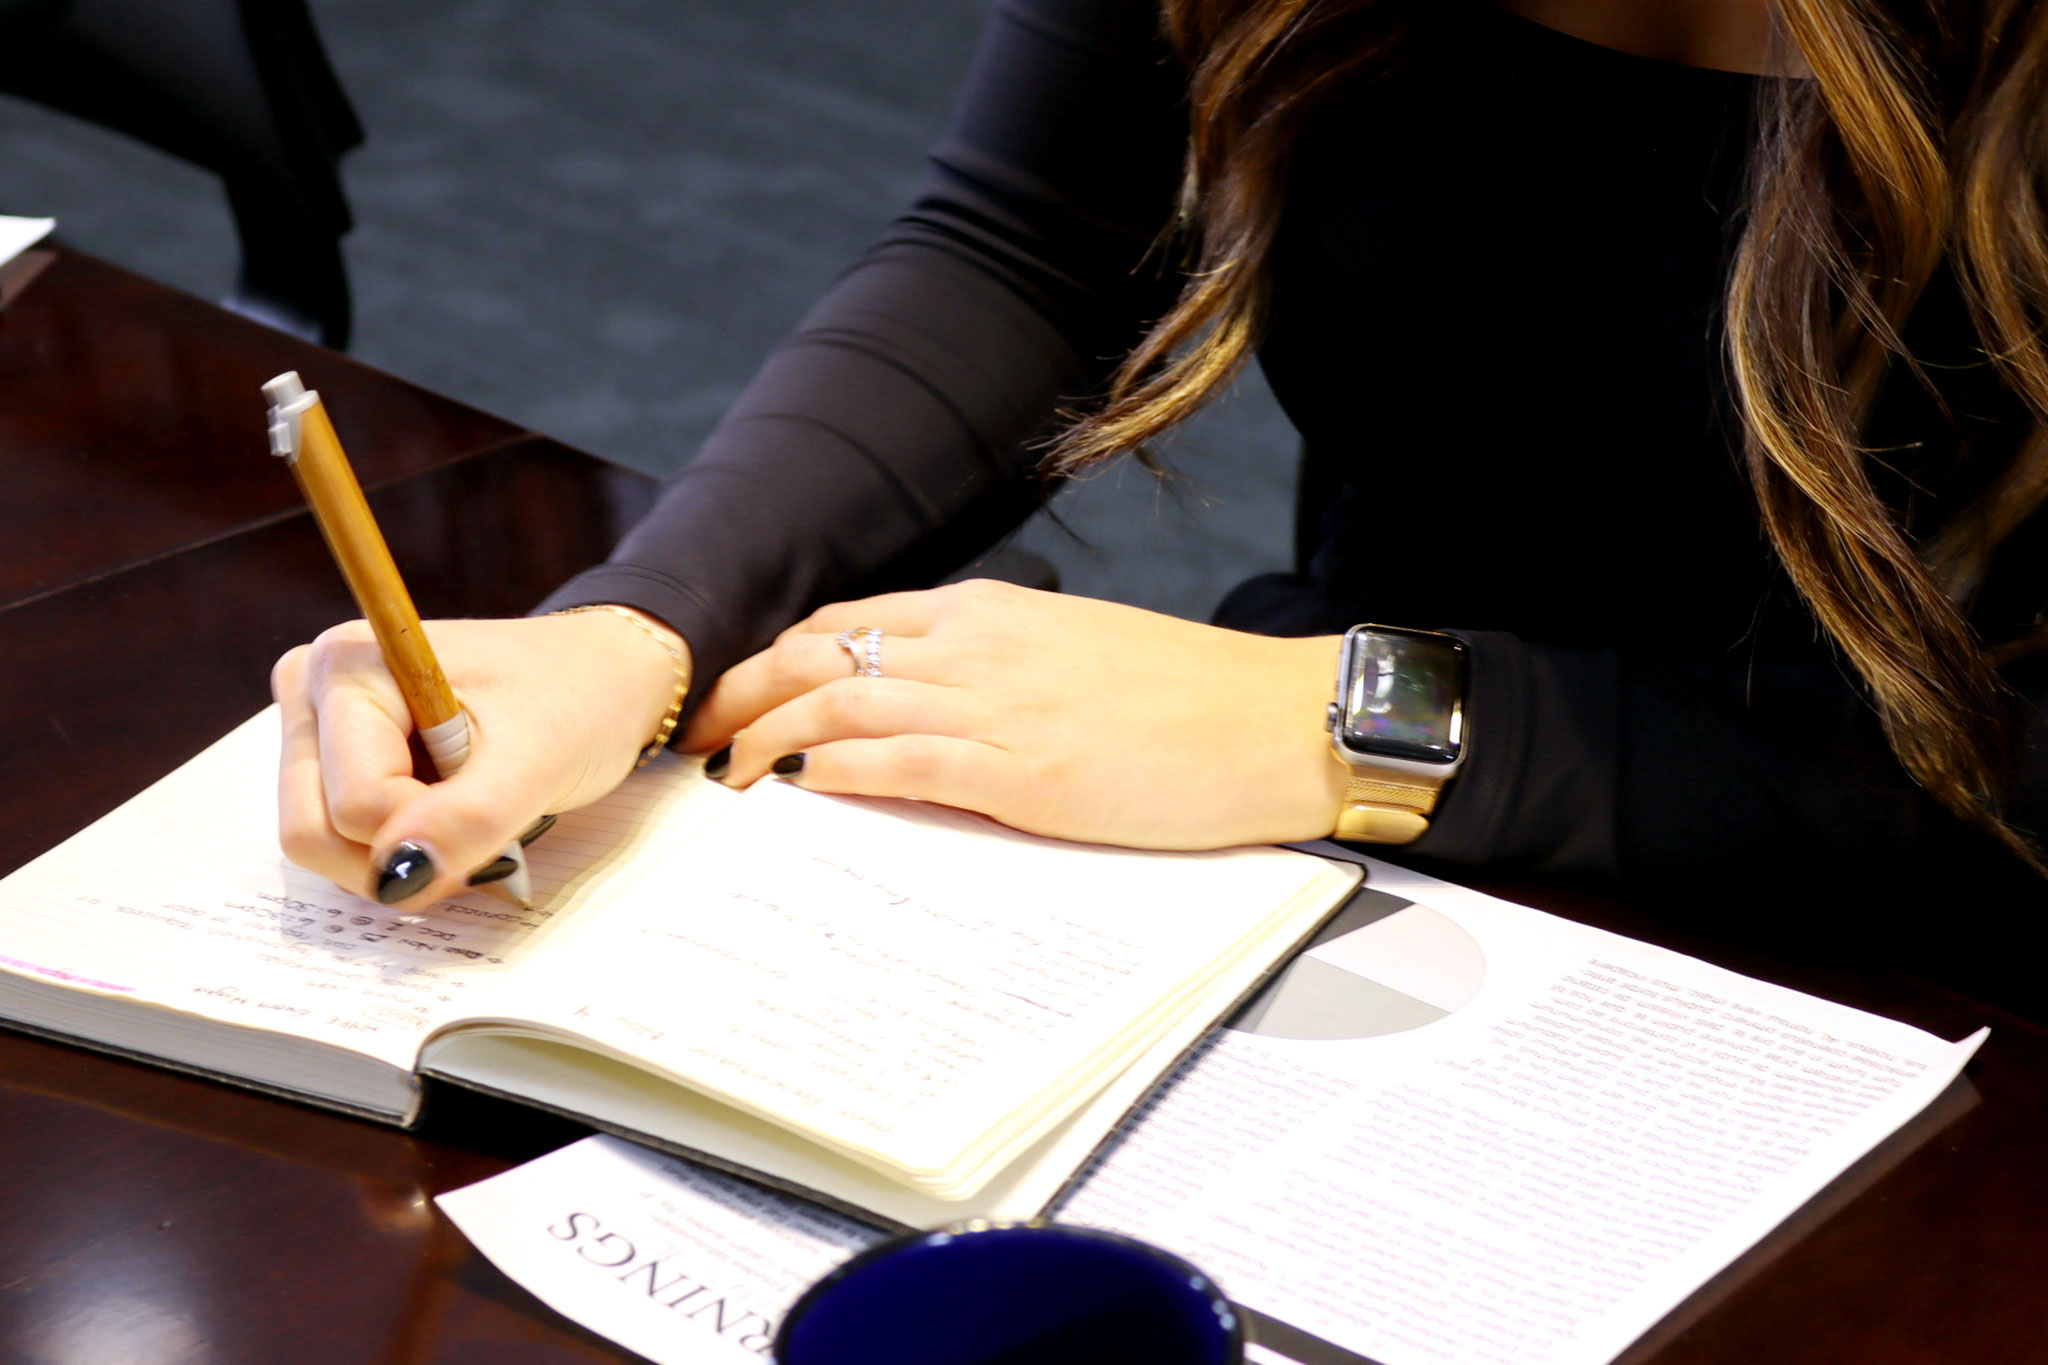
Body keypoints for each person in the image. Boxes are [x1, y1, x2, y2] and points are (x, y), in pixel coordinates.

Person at [273, 0, 2047, 1008]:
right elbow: (1034, 235)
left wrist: (1365, 719)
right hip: (1363, 841)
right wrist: (638, 626)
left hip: (1922, 942)